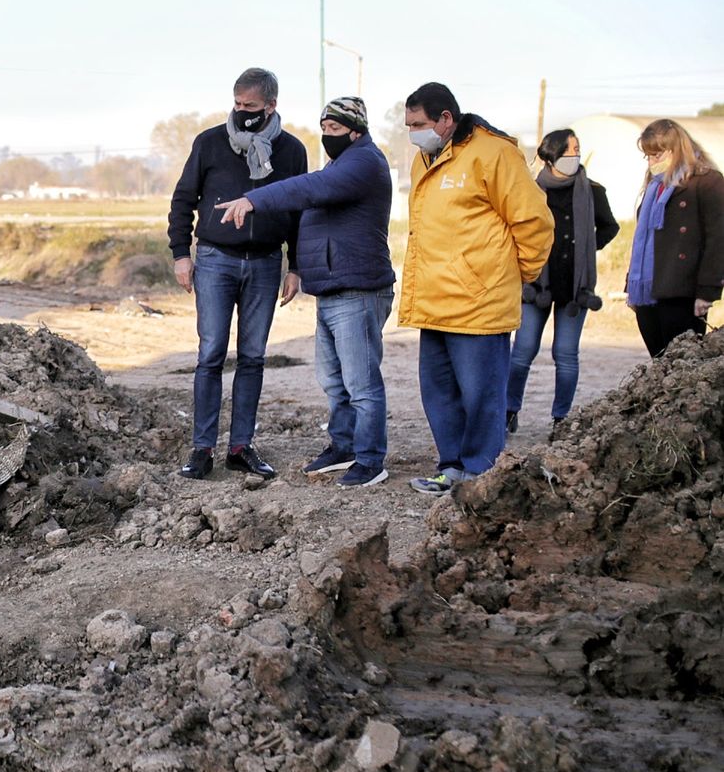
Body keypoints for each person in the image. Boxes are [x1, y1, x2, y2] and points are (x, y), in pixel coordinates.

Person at [217, 96, 395, 488]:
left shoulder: (364, 163)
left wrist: (253, 199)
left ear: (356, 130)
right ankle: (344, 446)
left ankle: (370, 459)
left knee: (361, 383)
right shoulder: (341, 162)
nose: (326, 136)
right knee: (334, 380)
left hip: (358, 289)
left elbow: (310, 188)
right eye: (324, 128)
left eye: (334, 129)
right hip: (332, 288)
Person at [400, 82, 553, 494]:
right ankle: (452, 468)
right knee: (440, 394)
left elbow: (534, 223)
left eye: (419, 124)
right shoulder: (424, 159)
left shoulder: (494, 153)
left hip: (478, 305)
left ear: (446, 119)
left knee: (482, 397)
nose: (413, 132)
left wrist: (512, 274)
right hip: (434, 300)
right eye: (409, 125)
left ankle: (482, 474)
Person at [168, 67, 308, 481]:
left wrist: (295, 265)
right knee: (210, 355)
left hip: (266, 264)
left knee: (253, 357)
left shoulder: (292, 151)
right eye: (237, 105)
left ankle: (241, 447)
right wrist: (181, 254)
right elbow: (182, 200)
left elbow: (299, 211)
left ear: (271, 106)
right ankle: (202, 449)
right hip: (214, 260)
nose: (242, 112)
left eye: (250, 106)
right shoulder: (209, 143)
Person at [505, 129, 619, 434]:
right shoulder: (531, 190)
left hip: (575, 288)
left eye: (577, 149)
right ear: (552, 155)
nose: (575, 156)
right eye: (570, 150)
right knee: (523, 351)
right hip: (536, 285)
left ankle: (561, 419)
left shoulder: (592, 191)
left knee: (565, 354)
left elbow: (610, 227)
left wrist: (585, 249)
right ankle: (508, 410)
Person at [626, 118, 724, 357]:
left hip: (683, 291)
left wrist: (707, 291)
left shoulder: (707, 182)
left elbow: (718, 239)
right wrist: (631, 284)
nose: (651, 161)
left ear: (676, 150)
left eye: (657, 154)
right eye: (647, 155)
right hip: (647, 293)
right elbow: (642, 239)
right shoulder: (653, 185)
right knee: (658, 366)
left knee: (682, 364)